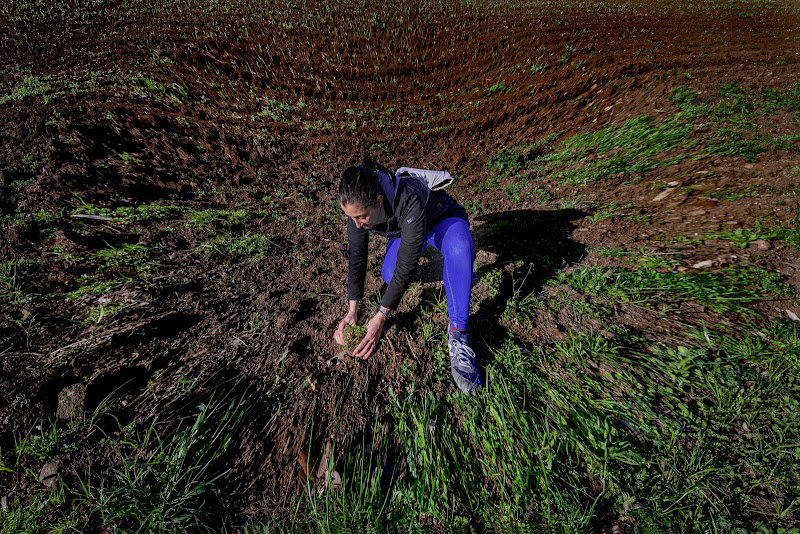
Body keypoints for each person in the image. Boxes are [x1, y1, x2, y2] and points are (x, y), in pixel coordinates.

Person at [332, 158, 483, 394]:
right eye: (352, 218)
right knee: (389, 273)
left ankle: (459, 334)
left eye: (361, 217)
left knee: (459, 248)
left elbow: (407, 267)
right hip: (409, 231)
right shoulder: (358, 209)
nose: (357, 225)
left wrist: (380, 318)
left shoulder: (407, 197)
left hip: (441, 220)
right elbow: (357, 258)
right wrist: (353, 311)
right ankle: (416, 246)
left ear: (379, 201)